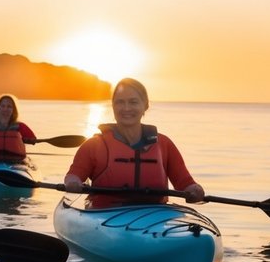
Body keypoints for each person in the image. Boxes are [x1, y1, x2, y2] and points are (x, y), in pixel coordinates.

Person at [63, 77, 205, 208]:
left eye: (133, 102)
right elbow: (74, 175)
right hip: (104, 215)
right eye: (120, 102)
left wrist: (194, 190)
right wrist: (73, 183)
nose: (126, 108)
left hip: (154, 216)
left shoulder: (164, 144)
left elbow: (185, 182)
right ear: (112, 106)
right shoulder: (93, 145)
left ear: (146, 105)